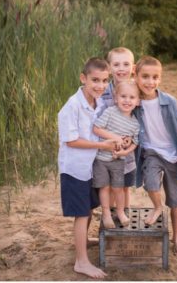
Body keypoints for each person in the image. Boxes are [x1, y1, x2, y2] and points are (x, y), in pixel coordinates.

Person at [57, 57, 118, 279]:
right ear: (83, 78)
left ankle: (83, 242)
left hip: (90, 166)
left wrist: (114, 140)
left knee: (89, 208)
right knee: (81, 214)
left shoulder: (98, 102)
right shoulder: (71, 107)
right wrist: (102, 145)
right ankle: (81, 262)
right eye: (95, 80)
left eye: (104, 80)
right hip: (74, 168)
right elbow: (71, 141)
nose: (100, 85)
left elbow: (98, 128)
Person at [132, 56, 177, 257]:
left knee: (175, 201)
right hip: (151, 152)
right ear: (135, 75)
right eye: (145, 76)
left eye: (155, 77)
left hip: (173, 156)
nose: (149, 82)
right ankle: (157, 207)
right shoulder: (134, 102)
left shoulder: (169, 101)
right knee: (150, 183)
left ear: (160, 79)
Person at [92, 80, 141, 229]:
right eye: (123, 96)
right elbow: (97, 129)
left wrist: (126, 151)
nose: (127, 100)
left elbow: (135, 142)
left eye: (132, 98)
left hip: (118, 161)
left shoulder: (135, 124)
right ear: (115, 98)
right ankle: (106, 213)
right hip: (101, 159)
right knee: (104, 187)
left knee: (118, 188)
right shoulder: (110, 112)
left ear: (137, 101)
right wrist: (116, 138)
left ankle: (120, 212)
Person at [99, 47, 138, 218]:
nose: (121, 68)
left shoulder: (137, 90)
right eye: (116, 64)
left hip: (129, 148)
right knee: (111, 185)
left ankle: (125, 214)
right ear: (109, 68)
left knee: (125, 186)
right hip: (107, 146)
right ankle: (112, 217)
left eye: (126, 64)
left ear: (133, 67)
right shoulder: (103, 91)